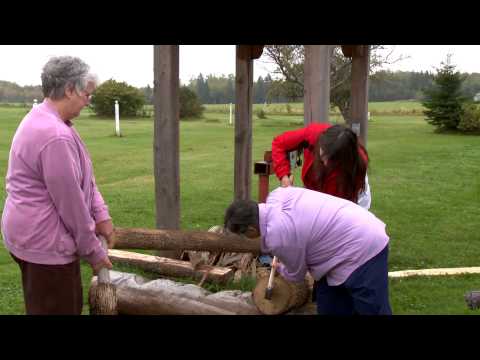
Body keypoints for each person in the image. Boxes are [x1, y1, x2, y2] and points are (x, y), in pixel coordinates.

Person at [1, 56, 114, 315]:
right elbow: (71, 203)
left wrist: (101, 214)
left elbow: (85, 177)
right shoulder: (54, 135)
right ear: (69, 89)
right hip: (44, 244)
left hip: (33, 236)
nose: (88, 100)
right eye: (86, 93)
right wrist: (93, 252)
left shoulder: (53, 122)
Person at [224, 186, 392, 315]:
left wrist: (282, 267)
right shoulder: (277, 194)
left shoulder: (277, 236)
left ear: (252, 230)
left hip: (362, 245)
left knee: (371, 308)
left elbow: (296, 274)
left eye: (243, 235)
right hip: (337, 247)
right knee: (330, 307)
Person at [272, 123, 371, 209]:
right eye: (324, 154)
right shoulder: (313, 134)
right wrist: (284, 175)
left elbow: (341, 206)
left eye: (332, 159)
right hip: (316, 189)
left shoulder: (357, 165)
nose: (326, 162)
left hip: (346, 197)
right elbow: (279, 144)